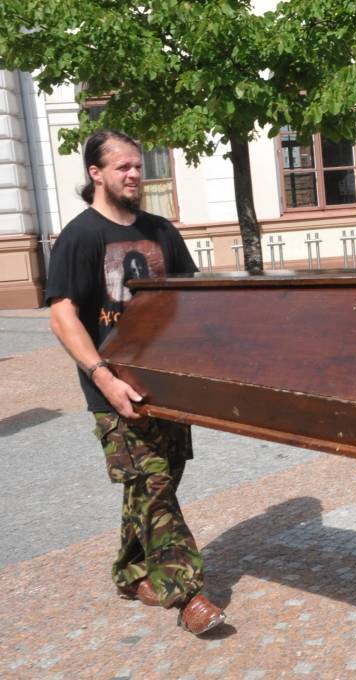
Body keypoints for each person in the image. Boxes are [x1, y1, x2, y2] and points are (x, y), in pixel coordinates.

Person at [46, 130, 226, 636]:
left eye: (137, 165)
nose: (133, 174)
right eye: (122, 166)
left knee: (151, 486)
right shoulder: (80, 237)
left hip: (166, 386)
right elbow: (63, 317)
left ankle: (130, 572)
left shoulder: (161, 231)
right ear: (95, 174)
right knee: (155, 486)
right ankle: (188, 593)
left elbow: (190, 300)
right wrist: (104, 380)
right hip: (115, 392)